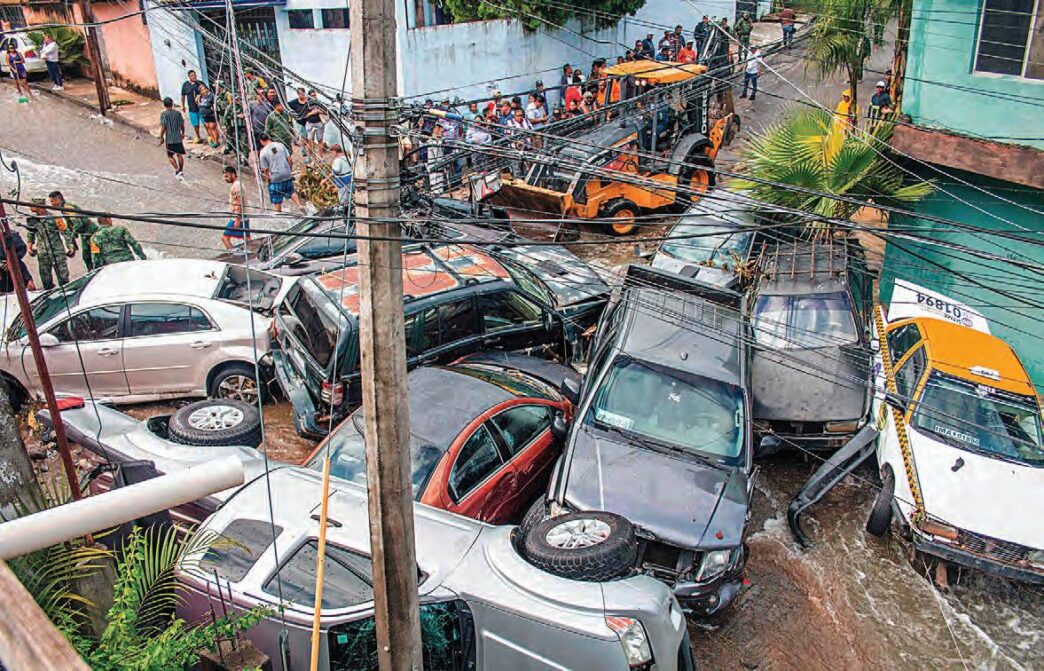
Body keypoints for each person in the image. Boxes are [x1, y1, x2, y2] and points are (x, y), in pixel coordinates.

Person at [26, 198, 75, 290]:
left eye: (31, 205)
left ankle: (66, 291)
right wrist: (29, 248)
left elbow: (65, 232)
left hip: (57, 251)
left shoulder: (55, 218)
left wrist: (70, 246)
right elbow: (30, 234)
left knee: (63, 276)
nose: (29, 207)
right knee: (46, 278)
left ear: (39, 206)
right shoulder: (32, 220)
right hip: (43, 252)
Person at [47, 191, 95, 271]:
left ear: (58, 200)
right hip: (85, 233)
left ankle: (94, 271)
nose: (51, 204)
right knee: (87, 256)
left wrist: (73, 235)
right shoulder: (64, 208)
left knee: (90, 256)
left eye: (52, 201)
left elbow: (78, 223)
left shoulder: (67, 208)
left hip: (90, 232)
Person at [258, 133, 302, 213]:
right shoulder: (280, 145)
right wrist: (289, 171)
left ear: (261, 141)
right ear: (269, 138)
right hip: (287, 173)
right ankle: (300, 205)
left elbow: (266, 170)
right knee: (291, 191)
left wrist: (268, 180)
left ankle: (278, 212)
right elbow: (289, 159)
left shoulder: (263, 152)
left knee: (276, 197)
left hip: (275, 178)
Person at [220, 166, 249, 249]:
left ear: (233, 174)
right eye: (224, 177)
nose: (225, 179)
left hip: (239, 217)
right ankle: (252, 253)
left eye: (227, 176)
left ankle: (234, 254)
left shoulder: (236, 186)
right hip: (243, 216)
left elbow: (240, 202)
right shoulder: (238, 184)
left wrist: (237, 219)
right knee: (247, 239)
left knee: (225, 238)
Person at [158, 97, 186, 177]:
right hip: (178, 138)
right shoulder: (178, 113)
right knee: (179, 154)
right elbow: (182, 125)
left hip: (170, 139)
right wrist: (183, 133)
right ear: (172, 104)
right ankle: (181, 170)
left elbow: (163, 127)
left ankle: (177, 169)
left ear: (164, 105)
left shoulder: (164, 114)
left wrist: (161, 137)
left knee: (170, 156)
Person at [0, 228, 34, 293]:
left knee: (30, 286)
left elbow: (22, 248)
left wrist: (11, 260)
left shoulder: (9, 233)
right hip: (2, 270)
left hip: (15, 264)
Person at [180, 70, 204, 144]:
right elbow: (183, 95)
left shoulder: (200, 83)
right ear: (189, 77)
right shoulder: (186, 85)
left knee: (205, 123)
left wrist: (200, 95)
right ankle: (198, 137)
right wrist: (183, 105)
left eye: (195, 75)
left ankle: (210, 136)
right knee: (195, 124)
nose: (194, 77)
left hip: (201, 108)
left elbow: (207, 92)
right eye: (192, 75)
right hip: (192, 108)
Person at [248, 89, 274, 154]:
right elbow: (248, 117)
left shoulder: (267, 105)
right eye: (260, 95)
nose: (262, 97)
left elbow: (271, 116)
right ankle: (259, 159)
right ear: (256, 96)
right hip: (256, 131)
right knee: (256, 149)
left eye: (263, 95)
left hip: (266, 131)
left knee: (271, 147)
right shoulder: (251, 105)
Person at [196, 83, 219, 147]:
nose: (204, 91)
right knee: (208, 126)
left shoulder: (211, 96)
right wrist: (197, 99)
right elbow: (198, 104)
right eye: (202, 90)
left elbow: (215, 105)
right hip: (204, 115)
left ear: (207, 89)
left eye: (204, 89)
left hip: (211, 114)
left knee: (212, 127)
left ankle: (216, 141)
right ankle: (213, 140)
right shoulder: (201, 97)